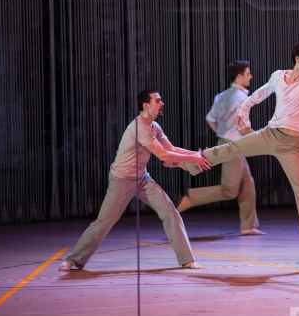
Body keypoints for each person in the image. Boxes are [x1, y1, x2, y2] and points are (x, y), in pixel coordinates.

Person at [170, 24, 299, 264]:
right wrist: (245, 109)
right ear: (298, 59)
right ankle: (191, 163)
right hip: (269, 134)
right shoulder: (278, 76)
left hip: (292, 145)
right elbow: (259, 94)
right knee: (229, 149)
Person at [58, 90, 212, 271]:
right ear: (146, 105)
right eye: (158, 100)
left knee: (170, 212)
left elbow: (170, 149)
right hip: (122, 180)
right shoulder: (140, 127)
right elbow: (163, 155)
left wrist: (196, 154)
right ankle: (74, 259)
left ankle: (186, 260)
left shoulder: (154, 126)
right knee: (104, 222)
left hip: (141, 179)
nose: (162, 103)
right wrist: (195, 159)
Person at [177, 60, 265, 236]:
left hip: (228, 142)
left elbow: (210, 118)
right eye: (248, 74)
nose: (251, 77)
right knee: (230, 190)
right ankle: (191, 198)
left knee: (247, 184)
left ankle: (248, 226)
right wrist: (265, 138)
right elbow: (244, 128)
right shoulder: (241, 98)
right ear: (239, 76)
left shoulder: (221, 96)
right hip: (234, 146)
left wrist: (222, 133)